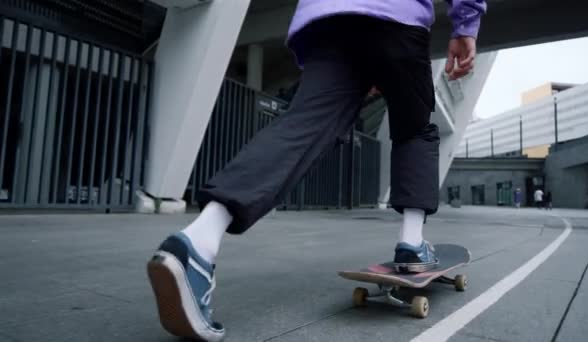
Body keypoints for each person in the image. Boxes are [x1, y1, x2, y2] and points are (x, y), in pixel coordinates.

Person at [147, 1, 486, 340]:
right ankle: (412, 243)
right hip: (397, 18)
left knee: (303, 124)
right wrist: (466, 25)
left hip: (329, 18)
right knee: (415, 129)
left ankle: (199, 240)